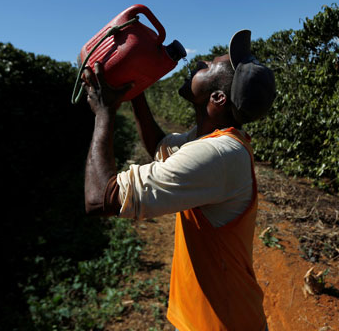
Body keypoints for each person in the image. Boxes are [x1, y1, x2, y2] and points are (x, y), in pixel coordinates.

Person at [82, 29, 275, 331]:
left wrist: (104, 112)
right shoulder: (212, 141)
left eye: (209, 65)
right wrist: (136, 91)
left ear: (218, 98)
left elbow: (99, 198)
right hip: (209, 317)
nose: (200, 62)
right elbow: (161, 146)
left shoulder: (218, 154)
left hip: (225, 322)